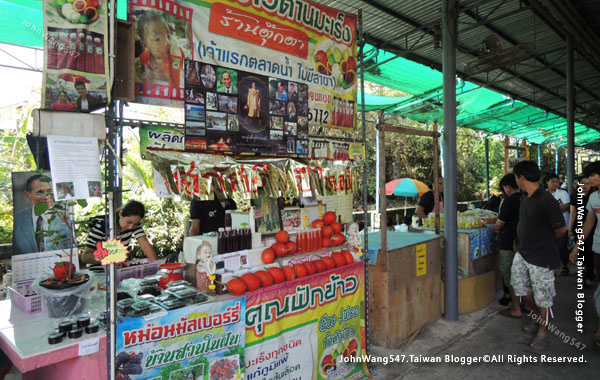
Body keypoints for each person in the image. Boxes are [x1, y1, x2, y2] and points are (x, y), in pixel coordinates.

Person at [511, 160, 566, 350]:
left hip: (541, 257)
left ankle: (544, 330)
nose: (516, 181)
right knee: (522, 290)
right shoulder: (526, 197)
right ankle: (536, 317)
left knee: (544, 297)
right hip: (523, 253)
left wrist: (543, 242)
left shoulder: (546, 199)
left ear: (522, 178)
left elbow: (561, 230)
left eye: (516, 177)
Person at [570, 162, 600, 346]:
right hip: (598, 249)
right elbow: (588, 224)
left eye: (593, 175)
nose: (589, 179)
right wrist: (576, 247)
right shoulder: (594, 198)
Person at [81, 200, 158, 265]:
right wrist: (108, 259)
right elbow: (85, 257)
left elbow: (145, 245)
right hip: (99, 271)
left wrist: (155, 266)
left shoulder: (134, 224)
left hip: (120, 270)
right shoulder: (101, 225)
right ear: (121, 213)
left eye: (135, 224)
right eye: (128, 222)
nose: (131, 227)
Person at [13, 174, 71, 255]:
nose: (46, 197)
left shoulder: (67, 218)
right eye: (40, 192)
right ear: (27, 195)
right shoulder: (17, 219)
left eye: (50, 191)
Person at [495, 174, 522, 317]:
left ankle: (516, 308)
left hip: (509, 242)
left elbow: (500, 225)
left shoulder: (509, 201)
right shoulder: (526, 198)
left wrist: (496, 224)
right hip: (523, 243)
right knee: (523, 276)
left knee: (509, 274)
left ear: (508, 187)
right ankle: (527, 306)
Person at [135, 11, 184, 88]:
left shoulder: (175, 57)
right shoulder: (145, 57)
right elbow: (139, 65)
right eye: (158, 39)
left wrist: (155, 75)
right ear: (145, 45)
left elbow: (174, 80)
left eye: (168, 36)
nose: (168, 42)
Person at [568, 176, 596, 288]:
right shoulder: (575, 196)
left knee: (589, 252)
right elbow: (573, 213)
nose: (585, 186)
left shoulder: (594, 196)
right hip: (578, 227)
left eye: (588, 183)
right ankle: (583, 273)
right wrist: (570, 229)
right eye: (583, 183)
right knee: (580, 252)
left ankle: (588, 276)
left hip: (592, 228)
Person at [545, 172, 571, 275]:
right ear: (547, 182)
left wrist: (550, 211)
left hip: (562, 225)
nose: (555, 184)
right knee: (550, 247)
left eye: (557, 181)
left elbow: (566, 206)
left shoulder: (563, 193)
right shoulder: (544, 194)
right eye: (553, 181)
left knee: (561, 247)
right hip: (548, 226)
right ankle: (551, 267)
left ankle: (565, 266)